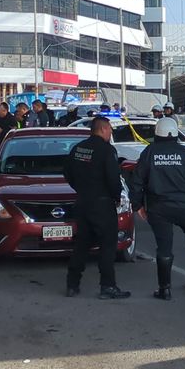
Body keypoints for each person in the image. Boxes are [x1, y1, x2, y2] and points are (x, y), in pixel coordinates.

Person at [131, 117, 185, 300]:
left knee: (164, 247)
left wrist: (138, 206)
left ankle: (164, 289)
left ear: (157, 133)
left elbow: (136, 182)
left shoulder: (149, 152)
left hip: (158, 208)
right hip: (184, 205)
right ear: (175, 133)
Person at [61, 116, 129, 299]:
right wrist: (116, 197)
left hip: (82, 203)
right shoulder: (107, 150)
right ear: (103, 129)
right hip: (102, 205)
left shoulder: (78, 148)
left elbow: (67, 172)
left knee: (81, 245)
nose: (111, 132)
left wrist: (80, 189)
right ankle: (107, 286)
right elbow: (113, 178)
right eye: (110, 129)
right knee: (107, 246)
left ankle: (72, 285)